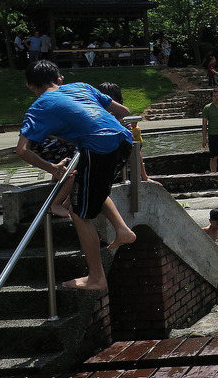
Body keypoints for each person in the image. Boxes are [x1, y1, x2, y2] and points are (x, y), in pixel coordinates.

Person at [15, 61, 137, 291]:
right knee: (91, 188)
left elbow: (22, 150)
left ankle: (96, 278)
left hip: (98, 147)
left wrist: (53, 168)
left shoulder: (39, 106)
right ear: (59, 78)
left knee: (79, 213)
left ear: (31, 86)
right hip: (123, 141)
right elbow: (124, 112)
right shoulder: (81, 86)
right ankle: (122, 230)